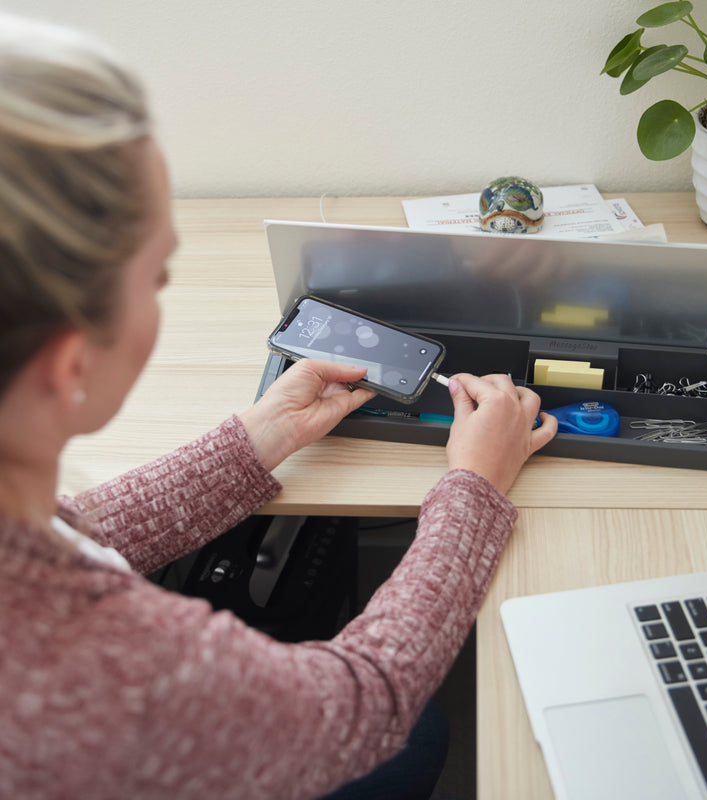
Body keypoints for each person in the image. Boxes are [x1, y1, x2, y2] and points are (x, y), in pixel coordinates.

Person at [0, 12, 558, 800]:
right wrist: (473, 488)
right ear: (70, 362)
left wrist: (252, 442)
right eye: (159, 277)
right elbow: (365, 702)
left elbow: (60, 534)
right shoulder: (111, 672)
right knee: (422, 735)